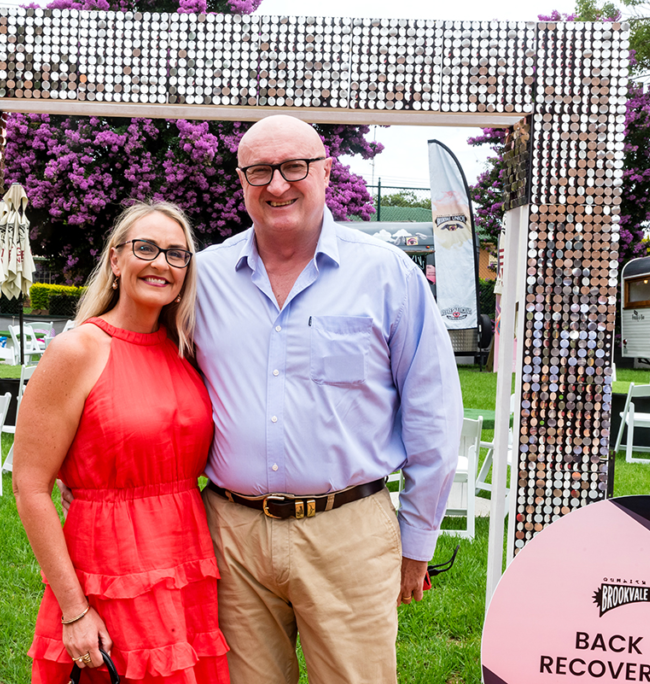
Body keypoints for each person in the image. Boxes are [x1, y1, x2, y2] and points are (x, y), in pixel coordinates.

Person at [194, 115, 462, 684]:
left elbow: (432, 412)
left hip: (349, 531)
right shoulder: (205, 276)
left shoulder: (386, 272)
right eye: (259, 170)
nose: (277, 185)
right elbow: (141, 360)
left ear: (326, 172)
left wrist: (417, 541)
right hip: (230, 536)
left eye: (294, 167)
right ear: (241, 181)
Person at [11, 201, 230, 684]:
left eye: (176, 254)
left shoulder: (186, 350)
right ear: (115, 259)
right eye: (146, 248)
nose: (161, 264)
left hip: (185, 560)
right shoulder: (78, 350)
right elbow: (29, 486)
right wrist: (73, 610)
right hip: (108, 567)